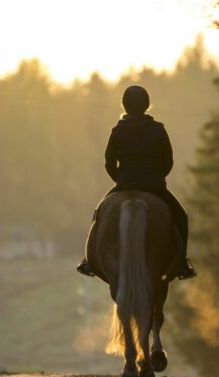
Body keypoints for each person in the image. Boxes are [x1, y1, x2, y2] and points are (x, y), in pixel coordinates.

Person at [77, 85, 197, 280]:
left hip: (125, 184)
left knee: (99, 214)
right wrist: (157, 177)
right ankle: (183, 263)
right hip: (154, 185)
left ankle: (89, 261)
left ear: (124, 106)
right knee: (180, 216)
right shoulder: (158, 130)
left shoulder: (117, 131)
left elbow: (108, 162)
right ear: (146, 105)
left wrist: (121, 180)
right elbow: (168, 160)